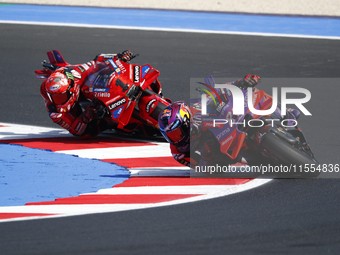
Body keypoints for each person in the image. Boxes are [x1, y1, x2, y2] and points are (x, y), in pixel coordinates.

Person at [158, 74, 261, 168]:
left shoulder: (197, 110)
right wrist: (206, 155)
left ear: (186, 122)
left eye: (176, 133)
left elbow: (218, 91)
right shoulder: (178, 152)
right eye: (170, 135)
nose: (175, 139)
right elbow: (202, 168)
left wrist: (241, 82)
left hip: (226, 126)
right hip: (219, 154)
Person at [39, 50, 134, 138]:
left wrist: (117, 56)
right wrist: (86, 116)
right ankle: (109, 124)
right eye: (55, 98)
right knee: (86, 134)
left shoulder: (77, 74)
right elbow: (75, 130)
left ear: (70, 89)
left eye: (61, 97)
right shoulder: (55, 112)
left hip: (86, 87)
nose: (59, 101)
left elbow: (96, 61)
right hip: (80, 112)